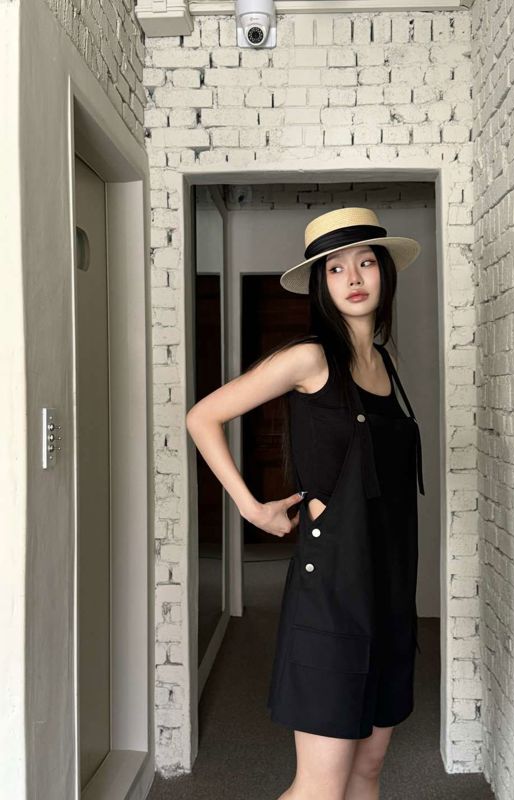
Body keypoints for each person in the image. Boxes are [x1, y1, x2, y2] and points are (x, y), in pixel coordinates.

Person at [185, 207, 424, 800]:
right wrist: (251, 507)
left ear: (385, 272)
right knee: (321, 786)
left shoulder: (387, 364)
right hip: (333, 594)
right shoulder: (310, 358)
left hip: (391, 588)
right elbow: (203, 417)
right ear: (321, 284)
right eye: (336, 268)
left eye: (366, 262)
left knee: (369, 770)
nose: (353, 277)